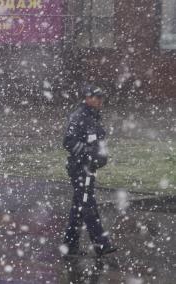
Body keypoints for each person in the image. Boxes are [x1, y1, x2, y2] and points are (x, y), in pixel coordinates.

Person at [62, 84, 117, 257]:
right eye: (97, 97)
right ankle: (101, 244)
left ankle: (70, 246)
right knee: (87, 205)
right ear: (87, 98)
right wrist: (88, 154)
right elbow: (68, 142)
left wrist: (99, 157)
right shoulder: (79, 117)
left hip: (89, 169)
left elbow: (98, 142)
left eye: (101, 97)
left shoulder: (93, 116)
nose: (100, 100)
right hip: (80, 169)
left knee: (79, 206)